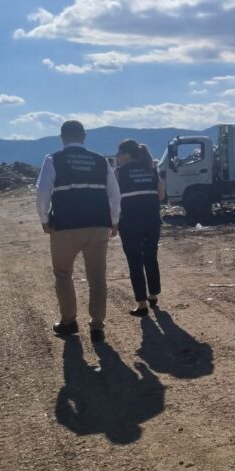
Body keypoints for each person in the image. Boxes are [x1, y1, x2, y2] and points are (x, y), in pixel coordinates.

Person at [36, 120, 121, 343]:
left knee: (63, 273)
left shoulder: (53, 159)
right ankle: (97, 326)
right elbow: (114, 193)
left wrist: (44, 220)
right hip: (98, 225)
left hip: (65, 225)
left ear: (62, 137)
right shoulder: (100, 160)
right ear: (84, 137)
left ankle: (69, 321)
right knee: (97, 277)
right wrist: (114, 221)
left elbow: (43, 192)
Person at [114, 139, 165, 317]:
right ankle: (153, 295)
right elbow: (161, 194)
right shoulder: (151, 170)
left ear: (127, 155)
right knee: (151, 256)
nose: (117, 157)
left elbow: (113, 197)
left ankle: (141, 304)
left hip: (130, 222)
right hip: (152, 220)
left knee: (135, 261)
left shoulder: (119, 172)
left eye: (119, 154)